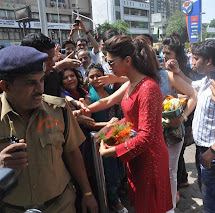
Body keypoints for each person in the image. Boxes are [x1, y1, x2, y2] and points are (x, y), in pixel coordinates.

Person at [0, 46, 98, 212]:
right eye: (30, 83)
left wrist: (87, 193)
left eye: (41, 80)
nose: (40, 89)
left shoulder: (59, 109)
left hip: (61, 206)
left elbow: (72, 152)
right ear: (6, 86)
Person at [83, 35, 173, 212]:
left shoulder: (148, 87)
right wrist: (107, 136)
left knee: (150, 206)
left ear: (128, 60)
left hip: (150, 159)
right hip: (137, 154)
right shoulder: (132, 83)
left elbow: (146, 136)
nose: (109, 68)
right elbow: (131, 122)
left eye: (111, 62)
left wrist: (113, 151)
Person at [169, 40, 215, 213]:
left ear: (208, 61)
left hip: (214, 152)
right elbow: (193, 86)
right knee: (207, 195)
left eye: (195, 58)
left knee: (211, 202)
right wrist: (178, 72)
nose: (192, 61)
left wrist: (213, 151)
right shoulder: (207, 81)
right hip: (203, 149)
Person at [159, 35, 197, 209]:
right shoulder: (163, 72)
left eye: (169, 52)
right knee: (175, 158)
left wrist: (178, 74)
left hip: (186, 118)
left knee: (178, 155)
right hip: (172, 117)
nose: (165, 55)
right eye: (163, 52)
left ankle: (178, 185)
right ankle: (180, 182)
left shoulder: (186, 71)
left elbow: (194, 91)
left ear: (178, 54)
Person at [84, 64, 127, 213]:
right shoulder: (89, 98)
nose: (95, 79)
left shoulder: (112, 91)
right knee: (110, 172)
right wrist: (108, 124)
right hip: (102, 138)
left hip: (119, 134)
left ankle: (119, 193)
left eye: (98, 75)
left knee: (121, 167)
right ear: (87, 79)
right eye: (91, 76)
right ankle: (114, 202)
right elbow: (90, 123)